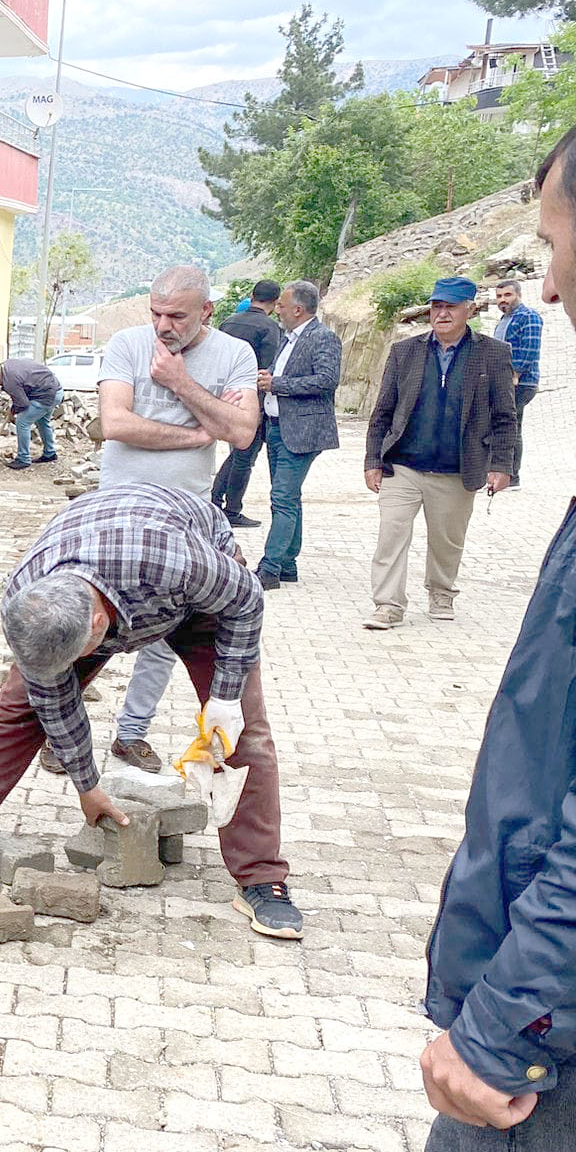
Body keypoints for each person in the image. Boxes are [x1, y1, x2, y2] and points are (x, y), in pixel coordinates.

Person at [291, 108, 576, 1152]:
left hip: (563, 1022)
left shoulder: (495, 364)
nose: (548, 281)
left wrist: (516, 1017)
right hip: (519, 973)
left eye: (552, 244)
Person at [0, 482, 305, 940]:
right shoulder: (30, 602)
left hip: (195, 589)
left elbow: (247, 600)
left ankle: (261, 878)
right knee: (18, 706)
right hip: (100, 572)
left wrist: (224, 700)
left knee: (244, 733)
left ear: (97, 625)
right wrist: (87, 784)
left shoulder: (174, 562)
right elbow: (53, 699)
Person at [97, 266, 261, 776]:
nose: (163, 326)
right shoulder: (127, 343)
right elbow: (114, 424)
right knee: (93, 626)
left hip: (188, 517)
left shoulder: (235, 354)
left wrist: (179, 383)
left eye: (177, 316)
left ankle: (131, 733)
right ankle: (61, 734)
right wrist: (196, 432)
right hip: (115, 511)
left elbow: (241, 431)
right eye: (156, 313)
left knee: (170, 629)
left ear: (207, 311)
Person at [361, 276, 517, 631]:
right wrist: (372, 460)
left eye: (450, 306)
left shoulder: (493, 353)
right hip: (403, 465)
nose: (442, 313)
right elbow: (382, 412)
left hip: (456, 468)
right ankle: (388, 604)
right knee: (391, 535)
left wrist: (501, 465)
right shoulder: (406, 351)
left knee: (448, 541)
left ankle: (441, 591)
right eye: (436, 306)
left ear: (470, 310)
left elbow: (506, 417)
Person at [254, 281, 341, 590]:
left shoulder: (323, 338)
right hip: (277, 428)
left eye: (282, 305)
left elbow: (327, 380)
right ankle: (288, 563)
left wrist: (278, 384)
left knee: (282, 498)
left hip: (302, 430)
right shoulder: (286, 338)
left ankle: (270, 567)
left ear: (298, 310)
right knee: (289, 497)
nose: (277, 309)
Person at [209, 279, 285, 528]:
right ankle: (230, 509)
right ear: (275, 303)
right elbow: (267, 369)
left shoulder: (229, 322)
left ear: (252, 295)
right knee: (244, 456)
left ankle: (216, 501)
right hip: (253, 399)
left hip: (222, 394)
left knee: (237, 454)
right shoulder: (270, 328)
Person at [491, 277, 544, 480]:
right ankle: (500, 472)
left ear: (518, 295)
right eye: (499, 296)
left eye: (507, 295)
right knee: (503, 426)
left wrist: (516, 374)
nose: (503, 300)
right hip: (503, 382)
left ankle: (512, 476)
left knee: (510, 427)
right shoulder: (505, 320)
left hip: (521, 383)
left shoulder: (528, 316)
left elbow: (530, 349)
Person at [0, 358, 62, 470]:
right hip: (55, 390)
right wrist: (13, 408)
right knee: (42, 421)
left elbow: (23, 403)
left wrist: (14, 410)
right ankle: (50, 453)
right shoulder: (7, 365)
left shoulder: (10, 380)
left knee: (22, 421)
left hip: (46, 395)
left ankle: (23, 459)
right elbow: (20, 394)